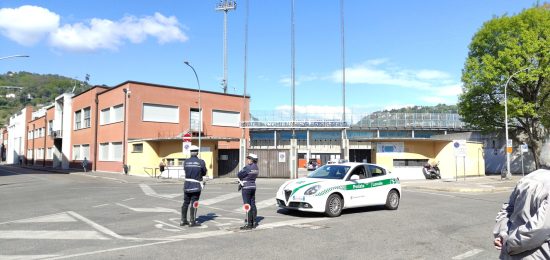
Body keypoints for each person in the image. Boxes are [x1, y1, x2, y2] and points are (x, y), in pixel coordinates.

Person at [493, 168, 550, 259]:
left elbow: (508, 209)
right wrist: (509, 244)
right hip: (536, 254)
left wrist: (503, 234)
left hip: (509, 251)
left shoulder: (529, 177)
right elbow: (542, 227)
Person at [180, 145, 207, 227]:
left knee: (185, 202)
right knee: (194, 202)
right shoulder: (201, 162)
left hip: (187, 185)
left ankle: (183, 220)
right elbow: (204, 172)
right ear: (197, 152)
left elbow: (185, 170)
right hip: (195, 185)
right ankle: (192, 221)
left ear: (190, 152)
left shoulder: (186, 161)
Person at [237, 153, 259, 230]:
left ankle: (249, 224)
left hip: (246, 187)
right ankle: (253, 222)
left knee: (247, 205)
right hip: (253, 187)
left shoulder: (248, 167)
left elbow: (239, 174)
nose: (248, 160)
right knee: (253, 204)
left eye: (249, 159)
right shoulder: (256, 168)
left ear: (253, 160)